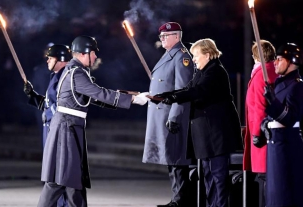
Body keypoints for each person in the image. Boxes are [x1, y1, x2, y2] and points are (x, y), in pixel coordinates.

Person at [37, 35, 148, 207]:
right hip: (67, 129)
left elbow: (96, 97)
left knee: (74, 178)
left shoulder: (76, 71)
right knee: (59, 180)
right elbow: (100, 93)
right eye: (94, 53)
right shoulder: (76, 73)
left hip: (70, 127)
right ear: (84, 53)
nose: (96, 57)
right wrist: (133, 100)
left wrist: (130, 96)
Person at [156, 38, 242, 207]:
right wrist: (167, 95)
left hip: (217, 134)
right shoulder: (202, 72)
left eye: (196, 55)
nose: (193, 59)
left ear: (208, 54)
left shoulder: (215, 71)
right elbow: (188, 89)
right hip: (205, 135)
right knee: (208, 174)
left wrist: (174, 97)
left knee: (218, 175)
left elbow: (199, 91)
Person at [142, 22, 195, 207]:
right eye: (161, 36)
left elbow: (182, 89)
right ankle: (177, 198)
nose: (162, 38)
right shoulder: (169, 55)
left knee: (177, 160)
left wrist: (174, 116)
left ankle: (181, 201)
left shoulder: (181, 58)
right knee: (171, 160)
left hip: (172, 117)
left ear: (177, 36)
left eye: (166, 35)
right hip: (162, 114)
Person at [24, 44, 72, 207]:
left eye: (50, 58)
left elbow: (63, 103)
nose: (47, 60)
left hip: (60, 129)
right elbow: (48, 102)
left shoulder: (67, 76)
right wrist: (33, 95)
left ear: (60, 59)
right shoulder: (55, 76)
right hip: (50, 128)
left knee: (59, 170)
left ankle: (62, 204)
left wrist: (49, 113)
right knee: (52, 169)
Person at [261, 43, 303, 207]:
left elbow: (291, 117)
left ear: (292, 61)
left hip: (287, 148)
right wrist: (265, 124)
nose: (275, 63)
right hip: (275, 144)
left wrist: (273, 102)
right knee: (274, 196)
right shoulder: (279, 83)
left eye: (279, 59)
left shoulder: (297, 85)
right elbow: (271, 115)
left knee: (285, 195)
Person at [242, 40, 278, 207]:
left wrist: (256, 133)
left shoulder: (260, 75)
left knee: (264, 177)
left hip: (262, 134)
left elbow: (259, 108)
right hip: (272, 131)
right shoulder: (274, 71)